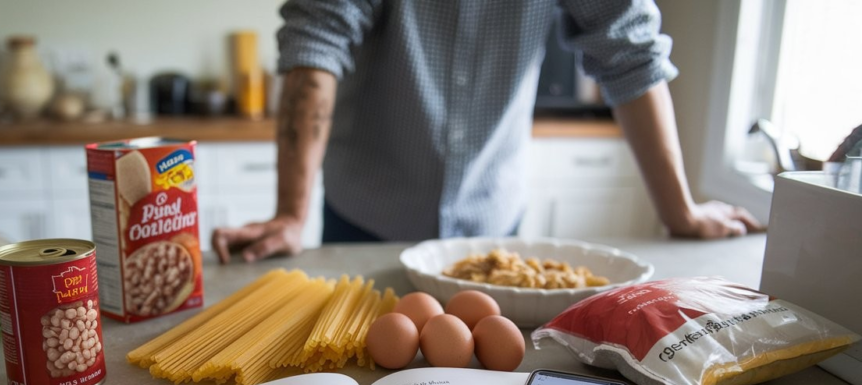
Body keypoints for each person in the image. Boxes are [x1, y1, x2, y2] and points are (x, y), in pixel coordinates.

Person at [212, 0, 763, 264]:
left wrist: (681, 213)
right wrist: (290, 213)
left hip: (493, 220)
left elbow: (630, 53)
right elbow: (316, 44)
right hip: (366, 217)